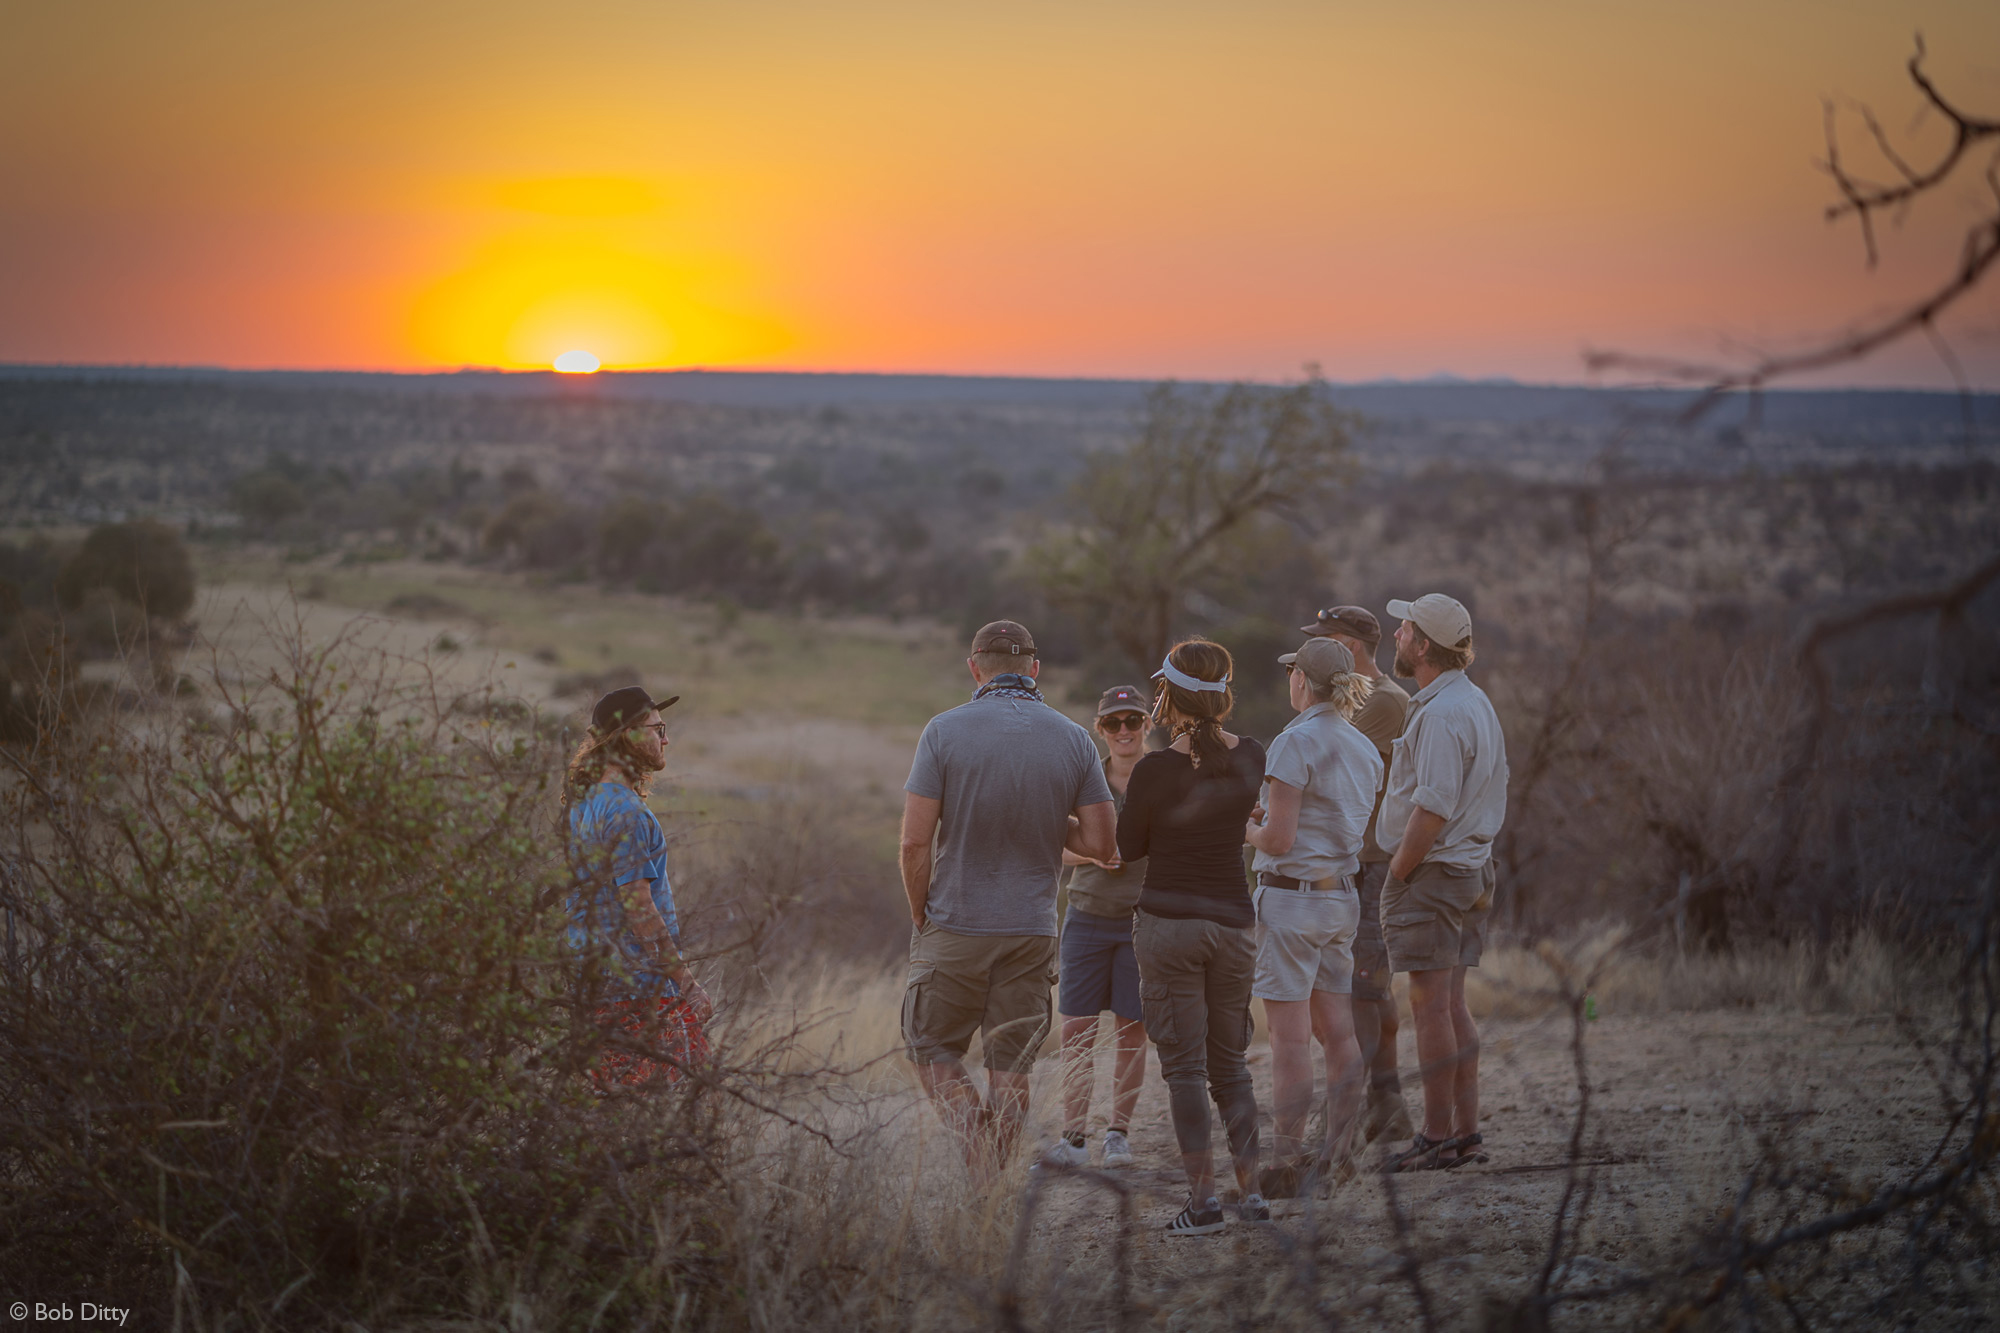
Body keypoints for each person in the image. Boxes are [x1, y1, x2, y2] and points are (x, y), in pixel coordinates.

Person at [900, 620, 1117, 1179]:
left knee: (930, 1048)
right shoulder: (1073, 738)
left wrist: (921, 913)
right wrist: (1048, 821)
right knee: (1012, 1064)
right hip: (1031, 929)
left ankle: (978, 1157)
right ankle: (993, 1177)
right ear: (1035, 670)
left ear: (975, 668)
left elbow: (913, 841)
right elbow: (1100, 842)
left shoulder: (943, 732)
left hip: (954, 922)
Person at [1121, 639, 1269, 1235]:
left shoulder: (1155, 770)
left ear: (1168, 695)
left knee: (1183, 1069)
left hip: (1169, 925)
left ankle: (1204, 1203)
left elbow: (1129, 848)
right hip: (1233, 923)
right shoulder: (1253, 755)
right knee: (1230, 1066)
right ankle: (1252, 1195)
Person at [1243, 636, 1382, 1197]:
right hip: (1340, 898)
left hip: (1292, 899)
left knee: (1290, 1040)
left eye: (1291, 673)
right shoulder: (1363, 746)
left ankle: (1286, 1159)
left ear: (1302, 679)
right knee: (1339, 1033)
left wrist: (1244, 827)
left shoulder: (1292, 741)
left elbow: (1277, 838)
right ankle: (1340, 1152)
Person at [1375, 594, 1509, 1171]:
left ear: (1423, 645)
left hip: (1434, 873)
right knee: (1451, 1003)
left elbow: (1431, 808)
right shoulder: (1471, 700)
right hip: (1471, 869)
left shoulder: (1440, 713)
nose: (1397, 633)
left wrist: (1399, 871)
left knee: (1429, 1005)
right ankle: (1465, 1134)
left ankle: (1434, 1138)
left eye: (1404, 628)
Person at [1301, 604, 1415, 1144]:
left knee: (1361, 988)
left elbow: (1322, 762)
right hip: (1359, 859)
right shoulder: (1374, 700)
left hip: (1370, 862)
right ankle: (1385, 1104)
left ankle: (1355, 1106)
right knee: (1367, 986)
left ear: (1347, 647)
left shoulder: (1384, 702)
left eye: (1323, 643)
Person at [564, 685, 714, 1089]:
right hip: (638, 991)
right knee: (682, 1104)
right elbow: (640, 909)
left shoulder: (585, 804)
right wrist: (688, 985)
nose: (666, 738)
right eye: (657, 728)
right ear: (627, 735)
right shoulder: (627, 812)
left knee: (614, 1113)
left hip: (594, 987)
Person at [1046, 685, 1154, 1171]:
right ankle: (1072, 1140)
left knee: (1132, 1031)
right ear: (1100, 730)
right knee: (1077, 1032)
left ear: (1148, 723)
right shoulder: (1083, 779)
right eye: (1114, 723)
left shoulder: (1162, 776)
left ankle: (1118, 1135)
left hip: (1142, 920)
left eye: (1133, 720)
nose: (1125, 731)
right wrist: (1095, 852)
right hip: (1087, 916)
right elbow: (1053, 847)